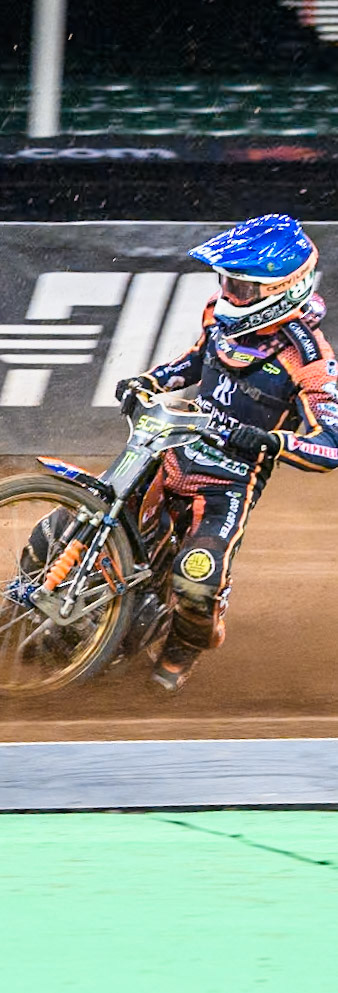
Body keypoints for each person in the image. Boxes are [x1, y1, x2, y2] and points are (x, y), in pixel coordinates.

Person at [113, 213, 338, 691]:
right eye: (228, 281)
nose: (230, 292)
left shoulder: (311, 359)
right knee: (82, 516)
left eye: (243, 285)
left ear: (284, 288)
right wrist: (151, 380)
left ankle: (179, 651)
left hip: (227, 485)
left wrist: (271, 441)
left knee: (197, 582)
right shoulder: (219, 312)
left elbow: (332, 444)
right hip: (172, 448)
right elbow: (197, 358)